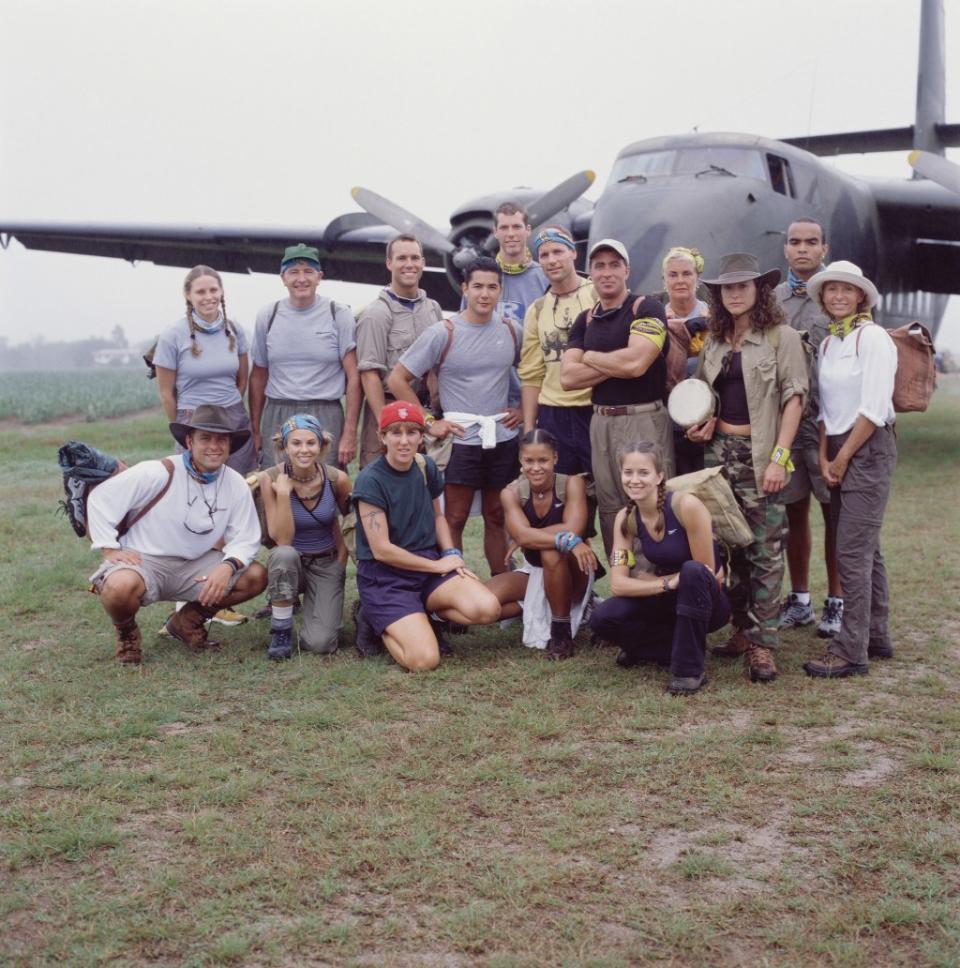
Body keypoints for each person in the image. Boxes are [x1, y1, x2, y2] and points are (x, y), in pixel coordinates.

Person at [687, 253, 807, 683]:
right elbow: (704, 396)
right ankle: (740, 629)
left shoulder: (782, 338)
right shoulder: (716, 341)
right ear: (718, 296)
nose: (734, 294)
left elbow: (795, 399)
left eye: (743, 286)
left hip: (762, 457)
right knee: (729, 546)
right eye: (726, 288)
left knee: (765, 551)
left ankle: (762, 644)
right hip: (719, 457)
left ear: (760, 290)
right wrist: (703, 424)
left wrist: (780, 457)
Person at [86, 406, 267, 664]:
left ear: (230, 445)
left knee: (255, 576)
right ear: (189, 442)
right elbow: (101, 498)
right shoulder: (158, 471)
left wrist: (227, 566)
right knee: (118, 587)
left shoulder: (235, 483)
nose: (214, 446)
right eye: (205, 438)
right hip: (145, 563)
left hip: (196, 565)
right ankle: (126, 633)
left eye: (221, 439)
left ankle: (187, 621)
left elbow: (246, 538)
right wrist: (109, 548)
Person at [388, 256, 523, 577]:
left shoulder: (511, 330)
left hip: (501, 437)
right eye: (477, 286)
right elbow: (397, 379)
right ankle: (453, 587)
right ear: (464, 288)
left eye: (492, 287)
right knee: (455, 517)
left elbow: (530, 375)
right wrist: (430, 422)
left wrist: (520, 409)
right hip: (460, 439)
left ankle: (502, 591)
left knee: (497, 515)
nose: (485, 294)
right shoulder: (443, 332)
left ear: (500, 291)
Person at [351, 401, 501, 672]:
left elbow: (439, 517)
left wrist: (452, 555)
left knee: (487, 608)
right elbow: (382, 550)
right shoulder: (370, 480)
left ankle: (425, 616)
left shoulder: (425, 466)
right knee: (424, 661)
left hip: (427, 565)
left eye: (412, 432)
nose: (404, 441)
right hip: (386, 576)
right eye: (396, 433)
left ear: (422, 437)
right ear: (382, 436)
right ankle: (376, 621)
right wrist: (437, 566)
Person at [802, 262, 897, 678]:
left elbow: (873, 409)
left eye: (847, 290)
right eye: (831, 290)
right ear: (822, 298)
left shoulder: (872, 338)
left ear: (861, 296)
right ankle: (875, 636)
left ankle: (850, 650)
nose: (838, 296)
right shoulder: (828, 344)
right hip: (837, 444)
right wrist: (825, 455)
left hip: (868, 446)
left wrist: (842, 459)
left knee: (851, 551)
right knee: (866, 548)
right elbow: (826, 410)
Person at [560, 238, 673, 556]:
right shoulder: (585, 320)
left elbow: (637, 365)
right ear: (590, 273)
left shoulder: (646, 307)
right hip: (601, 422)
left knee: (651, 500)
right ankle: (625, 583)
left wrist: (591, 356)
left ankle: (659, 583)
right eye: (599, 265)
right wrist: (618, 361)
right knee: (611, 506)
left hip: (642, 418)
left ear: (627, 270)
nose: (606, 272)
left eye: (614, 265)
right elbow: (568, 378)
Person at [589, 441, 729, 695]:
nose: (634, 480)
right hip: (667, 594)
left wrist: (669, 579)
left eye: (643, 473)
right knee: (602, 618)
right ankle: (664, 648)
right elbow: (618, 584)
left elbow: (709, 574)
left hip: (709, 602)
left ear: (660, 476)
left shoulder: (686, 506)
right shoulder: (625, 517)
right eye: (628, 473)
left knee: (692, 571)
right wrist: (664, 583)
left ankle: (688, 672)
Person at [774, 219, 842, 637]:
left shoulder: (838, 296)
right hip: (788, 422)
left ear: (824, 249)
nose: (803, 249)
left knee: (834, 511)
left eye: (811, 242)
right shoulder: (773, 299)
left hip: (829, 422)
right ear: (785, 250)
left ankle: (837, 600)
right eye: (795, 242)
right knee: (792, 510)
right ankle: (800, 600)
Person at [486, 429, 598, 660]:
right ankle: (546, 608)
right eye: (529, 461)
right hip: (533, 570)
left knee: (551, 552)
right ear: (520, 460)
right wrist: (564, 538)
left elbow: (574, 528)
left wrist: (531, 536)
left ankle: (561, 634)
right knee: (484, 604)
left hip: (573, 570)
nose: (536, 467)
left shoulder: (572, 484)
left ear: (555, 458)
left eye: (543, 460)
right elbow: (525, 537)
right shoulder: (511, 493)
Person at [249, 243, 360, 470]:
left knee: (326, 483)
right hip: (279, 409)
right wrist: (255, 430)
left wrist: (349, 433)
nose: (301, 279)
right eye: (294, 272)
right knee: (275, 482)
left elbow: (354, 375)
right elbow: (258, 375)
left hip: (325, 410)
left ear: (319, 277)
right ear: (283, 277)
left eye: (308, 272)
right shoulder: (268, 316)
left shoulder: (338, 313)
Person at [258, 414, 352, 661]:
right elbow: (282, 539)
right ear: (284, 446)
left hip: (325, 561)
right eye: (296, 443)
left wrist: (341, 562)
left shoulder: (337, 479)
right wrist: (283, 495)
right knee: (283, 554)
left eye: (311, 443)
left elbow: (351, 523)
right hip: (291, 563)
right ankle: (281, 629)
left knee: (320, 643)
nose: (304, 450)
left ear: (321, 446)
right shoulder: (269, 478)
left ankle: (321, 606)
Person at [153, 265, 258, 475]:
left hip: (233, 419)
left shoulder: (235, 330)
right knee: (195, 484)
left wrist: (228, 408)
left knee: (238, 483)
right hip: (193, 419)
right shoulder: (172, 335)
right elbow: (166, 394)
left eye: (213, 290)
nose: (208, 297)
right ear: (188, 295)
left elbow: (242, 380)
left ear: (221, 292)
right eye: (200, 292)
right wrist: (185, 425)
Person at [355, 234, 443, 467]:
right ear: (389, 263)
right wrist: (386, 425)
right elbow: (369, 375)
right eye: (401, 258)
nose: (409, 264)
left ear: (423, 262)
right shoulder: (376, 313)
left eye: (415, 258)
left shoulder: (433, 309)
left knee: (424, 480)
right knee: (381, 484)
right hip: (387, 408)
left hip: (424, 412)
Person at [518, 227, 596, 475]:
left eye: (558, 251)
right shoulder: (537, 309)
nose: (552, 260)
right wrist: (530, 431)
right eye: (544, 255)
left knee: (607, 492)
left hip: (594, 409)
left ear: (573, 252)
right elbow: (531, 374)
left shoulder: (597, 294)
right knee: (561, 497)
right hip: (553, 415)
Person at [661, 246, 710, 475]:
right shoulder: (655, 321)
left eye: (686, 274)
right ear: (664, 281)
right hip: (670, 423)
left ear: (697, 278)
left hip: (709, 420)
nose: (680, 280)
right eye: (673, 275)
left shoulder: (714, 318)